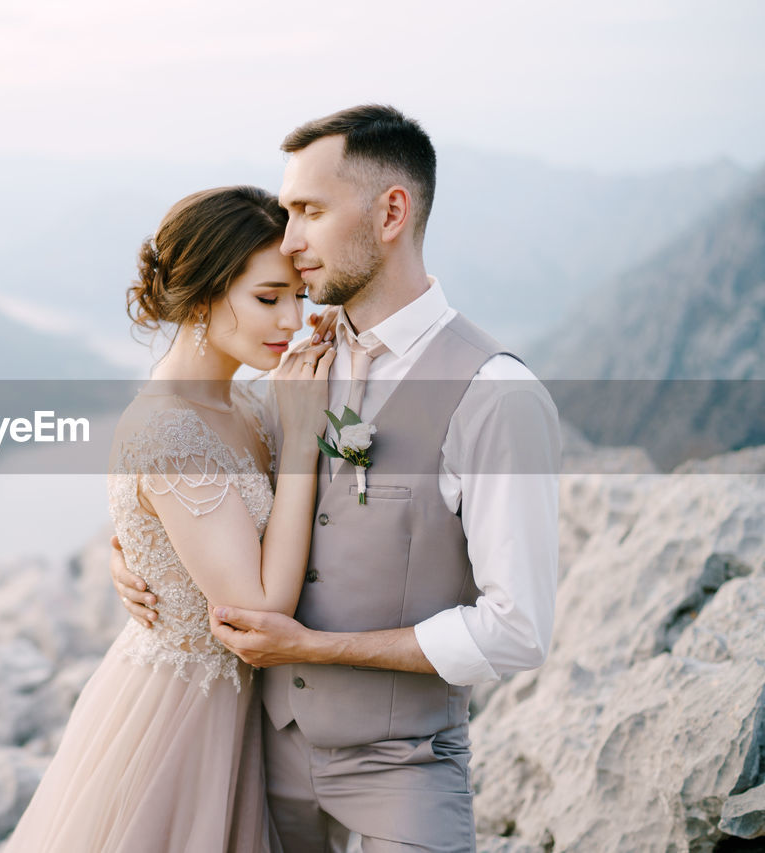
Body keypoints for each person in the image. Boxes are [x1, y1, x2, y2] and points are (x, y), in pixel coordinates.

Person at [112, 105, 562, 851]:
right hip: (255, 751)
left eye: (309, 211)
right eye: (288, 212)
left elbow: (518, 631)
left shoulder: (495, 395)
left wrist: (318, 650)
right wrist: (132, 551)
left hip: (403, 768)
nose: (289, 243)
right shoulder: (294, 356)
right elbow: (204, 487)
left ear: (391, 213)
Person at [3, 185, 336, 852]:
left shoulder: (241, 402)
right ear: (206, 297)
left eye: (298, 296)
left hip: (249, 713)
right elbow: (260, 606)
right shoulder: (174, 429)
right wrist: (301, 441)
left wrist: (128, 551)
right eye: (268, 298)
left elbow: (179, 528)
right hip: (181, 721)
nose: (292, 320)